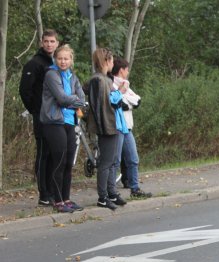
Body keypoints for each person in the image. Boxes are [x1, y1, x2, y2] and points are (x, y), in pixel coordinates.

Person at [40, 44, 86, 213]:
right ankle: (57, 200)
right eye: (60, 58)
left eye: (66, 58)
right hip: (54, 122)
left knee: (68, 162)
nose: (63, 61)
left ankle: (66, 198)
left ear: (71, 60)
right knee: (58, 162)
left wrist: (72, 99)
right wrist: (73, 99)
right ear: (55, 59)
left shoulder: (72, 76)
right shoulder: (51, 74)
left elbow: (82, 98)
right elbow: (61, 99)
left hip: (70, 121)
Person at [19, 29, 59, 206]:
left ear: (57, 43)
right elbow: (24, 91)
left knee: (52, 155)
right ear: (42, 43)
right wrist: (36, 111)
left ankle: (51, 191)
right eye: (46, 41)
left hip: (55, 117)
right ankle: (43, 194)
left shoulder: (57, 62)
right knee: (43, 154)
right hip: (41, 118)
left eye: (52, 41)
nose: (49, 44)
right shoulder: (34, 63)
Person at [86, 48, 129, 210]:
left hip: (112, 124)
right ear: (106, 62)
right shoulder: (99, 80)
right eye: (111, 61)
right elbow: (106, 103)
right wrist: (120, 92)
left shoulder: (104, 79)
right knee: (106, 163)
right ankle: (103, 196)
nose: (113, 64)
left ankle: (111, 192)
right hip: (107, 125)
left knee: (111, 162)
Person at [111, 57, 152, 199]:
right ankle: (110, 191)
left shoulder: (125, 84)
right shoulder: (112, 84)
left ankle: (135, 189)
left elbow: (137, 99)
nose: (128, 72)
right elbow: (118, 103)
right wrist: (127, 103)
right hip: (117, 127)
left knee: (133, 159)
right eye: (127, 69)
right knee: (115, 161)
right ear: (121, 70)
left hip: (128, 127)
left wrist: (128, 103)